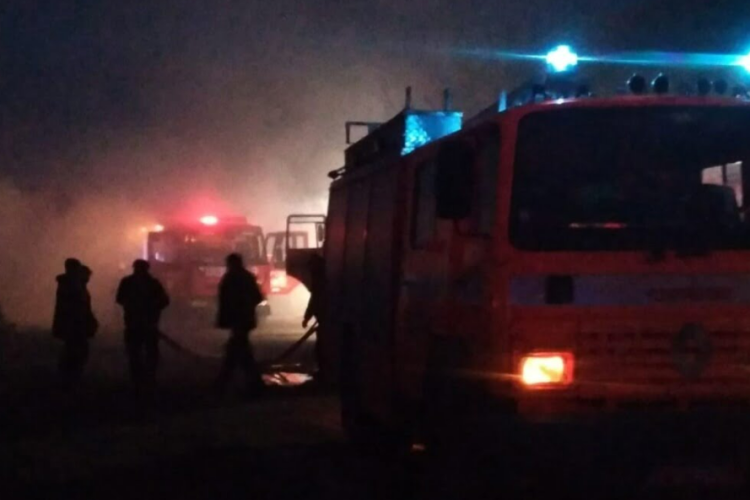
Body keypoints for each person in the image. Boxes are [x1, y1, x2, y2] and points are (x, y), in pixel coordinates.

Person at [116, 259, 169, 398]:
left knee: (135, 353)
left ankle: (138, 380)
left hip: (134, 324)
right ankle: (148, 379)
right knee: (148, 353)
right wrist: (153, 309)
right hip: (147, 325)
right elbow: (164, 301)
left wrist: (133, 307)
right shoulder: (153, 283)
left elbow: (120, 299)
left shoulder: (127, 282)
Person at [215, 253, 264, 397]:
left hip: (236, 318)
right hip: (245, 318)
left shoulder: (230, 278)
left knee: (237, 349)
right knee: (241, 348)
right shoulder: (247, 277)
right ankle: (252, 382)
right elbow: (258, 297)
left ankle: (225, 381)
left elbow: (225, 299)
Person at [53, 258, 97, 387]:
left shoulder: (68, 284)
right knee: (76, 351)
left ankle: (68, 378)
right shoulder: (73, 286)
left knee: (73, 350)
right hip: (75, 324)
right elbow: (79, 307)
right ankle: (70, 379)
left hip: (73, 324)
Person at [302, 254, 327, 379]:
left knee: (322, 347)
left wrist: (306, 318)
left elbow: (314, 301)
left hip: (325, 319)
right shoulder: (325, 278)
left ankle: (324, 371)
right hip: (326, 318)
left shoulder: (319, 281)